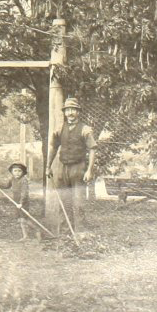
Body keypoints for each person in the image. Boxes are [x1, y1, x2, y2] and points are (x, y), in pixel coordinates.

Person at [47, 97, 97, 234]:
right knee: (63, 203)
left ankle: (80, 234)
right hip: (62, 168)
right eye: (67, 110)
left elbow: (92, 149)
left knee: (78, 203)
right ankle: (65, 236)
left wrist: (89, 171)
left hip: (78, 168)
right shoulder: (59, 128)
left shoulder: (85, 129)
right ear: (64, 112)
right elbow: (53, 147)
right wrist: (48, 166)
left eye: (73, 110)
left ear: (78, 112)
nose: (70, 113)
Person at [0, 162, 36, 241]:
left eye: (19, 171)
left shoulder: (23, 180)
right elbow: (6, 186)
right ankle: (28, 234)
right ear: (12, 172)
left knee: (23, 219)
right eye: (15, 171)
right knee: (20, 219)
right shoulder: (12, 179)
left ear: (23, 172)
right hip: (16, 201)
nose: (17, 173)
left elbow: (24, 193)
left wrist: (21, 203)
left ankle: (35, 231)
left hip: (23, 202)